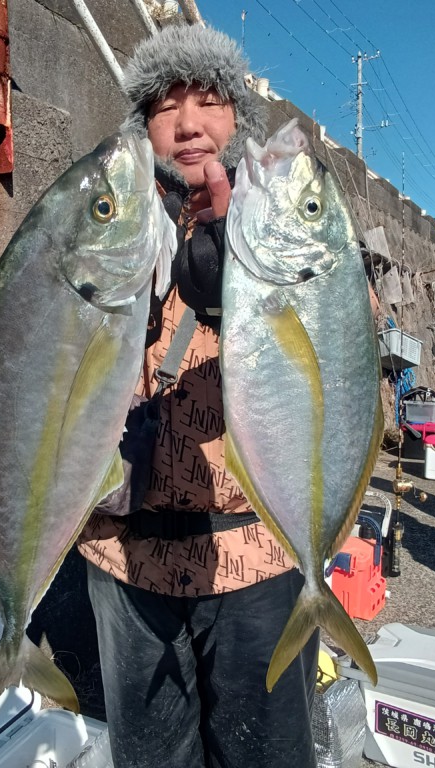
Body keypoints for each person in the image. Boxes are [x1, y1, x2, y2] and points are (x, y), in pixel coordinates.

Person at [76, 24, 320, 768]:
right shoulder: (100, 215)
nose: (186, 124)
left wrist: (234, 292)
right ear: (140, 125)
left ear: (239, 114)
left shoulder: (283, 213)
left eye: (208, 100)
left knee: (265, 753)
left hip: (254, 552)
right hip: (124, 553)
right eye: (163, 105)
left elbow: (346, 350)